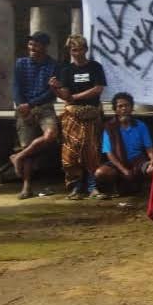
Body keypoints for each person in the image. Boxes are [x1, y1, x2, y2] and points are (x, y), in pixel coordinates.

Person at [51, 35, 107, 200]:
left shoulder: (95, 67)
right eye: (73, 50)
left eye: (79, 49)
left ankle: (92, 186)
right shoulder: (66, 70)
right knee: (71, 151)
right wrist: (55, 89)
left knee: (91, 150)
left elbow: (98, 89)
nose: (76, 53)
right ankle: (76, 186)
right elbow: (66, 95)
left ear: (86, 49)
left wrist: (76, 97)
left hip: (91, 113)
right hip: (72, 115)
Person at [10, 32, 59, 200]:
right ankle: (26, 186)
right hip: (24, 108)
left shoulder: (53, 65)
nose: (32, 48)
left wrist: (30, 105)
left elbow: (50, 92)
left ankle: (18, 158)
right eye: (30, 45)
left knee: (51, 135)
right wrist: (22, 105)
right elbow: (16, 87)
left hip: (44, 107)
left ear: (45, 47)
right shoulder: (21, 63)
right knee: (27, 145)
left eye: (36, 45)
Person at [94, 92, 153, 197]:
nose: (124, 109)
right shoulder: (109, 127)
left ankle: (152, 191)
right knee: (100, 173)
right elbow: (109, 153)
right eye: (120, 106)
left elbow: (149, 147)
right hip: (118, 163)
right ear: (115, 109)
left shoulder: (141, 126)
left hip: (137, 162)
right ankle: (110, 190)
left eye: (127, 105)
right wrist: (123, 170)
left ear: (131, 107)